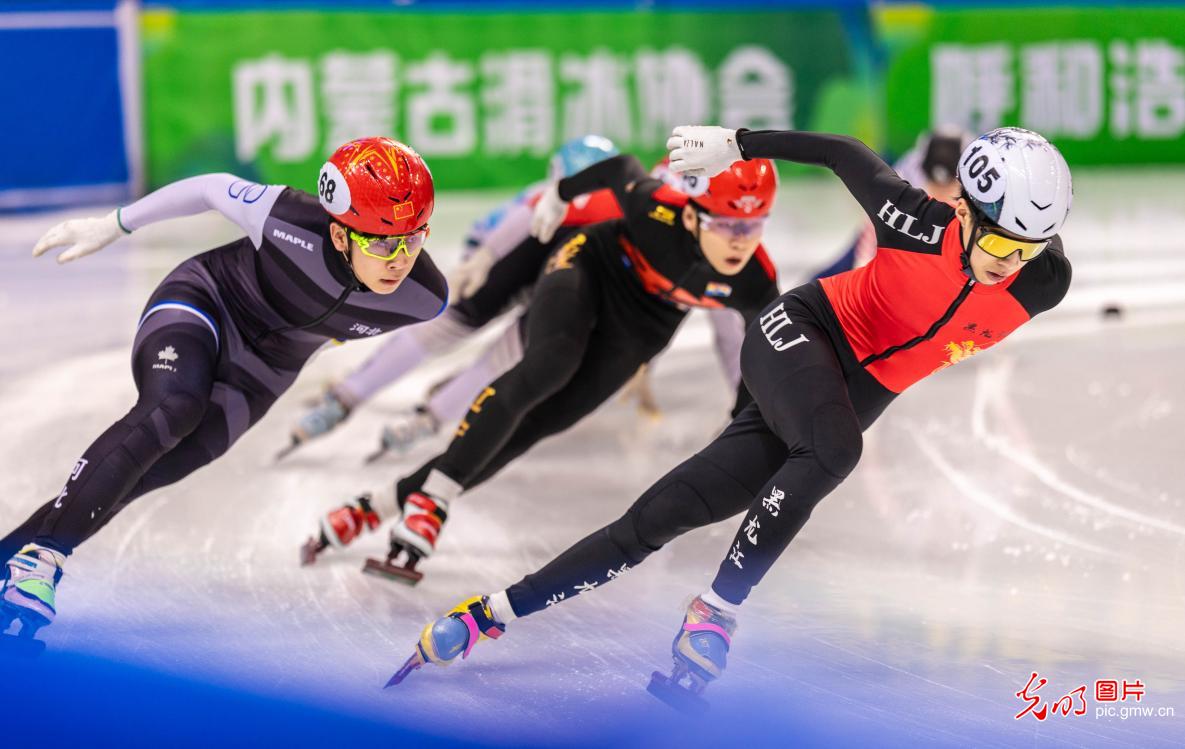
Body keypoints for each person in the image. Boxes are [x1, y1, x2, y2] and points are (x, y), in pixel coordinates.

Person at [386, 126, 1073, 706]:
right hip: (799, 333)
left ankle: (489, 613)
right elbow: (841, 153)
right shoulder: (913, 218)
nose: (1009, 265)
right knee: (833, 452)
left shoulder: (1045, 280)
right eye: (1000, 245)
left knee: (654, 520)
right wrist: (736, 146)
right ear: (963, 214)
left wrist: (1026, 255)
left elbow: (1019, 262)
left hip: (847, 394)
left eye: (1028, 249)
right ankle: (714, 613)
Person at [0, 137, 447, 639]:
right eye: (383, 243)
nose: (400, 259)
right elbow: (211, 188)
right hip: (206, 300)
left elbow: (341, 327)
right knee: (174, 408)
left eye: (415, 238)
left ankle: (9, 561)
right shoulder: (286, 218)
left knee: (149, 472)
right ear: (340, 234)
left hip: (265, 369)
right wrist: (115, 224)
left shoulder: (422, 298)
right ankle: (40, 565)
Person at [310, 153, 782, 583]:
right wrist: (558, 195)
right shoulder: (654, 210)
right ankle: (433, 501)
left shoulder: (757, 281)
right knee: (548, 366)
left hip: (646, 321)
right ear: (690, 215)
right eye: (727, 226)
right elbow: (619, 169)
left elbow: (754, 357)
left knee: (544, 422)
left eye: (754, 226)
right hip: (591, 266)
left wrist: (739, 425)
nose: (740, 241)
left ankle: (380, 505)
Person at [283, 136, 622, 459]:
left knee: (447, 332)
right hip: (554, 276)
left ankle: (349, 398)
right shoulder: (618, 206)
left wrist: (479, 259)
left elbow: (493, 227)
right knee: (504, 356)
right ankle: (426, 418)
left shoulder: (542, 197)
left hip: (522, 265)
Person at [812, 126, 971, 280]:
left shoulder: (974, 185)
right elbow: (873, 224)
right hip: (894, 231)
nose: (940, 194)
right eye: (935, 186)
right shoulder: (903, 179)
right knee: (835, 277)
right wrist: (862, 267)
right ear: (923, 173)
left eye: (948, 186)